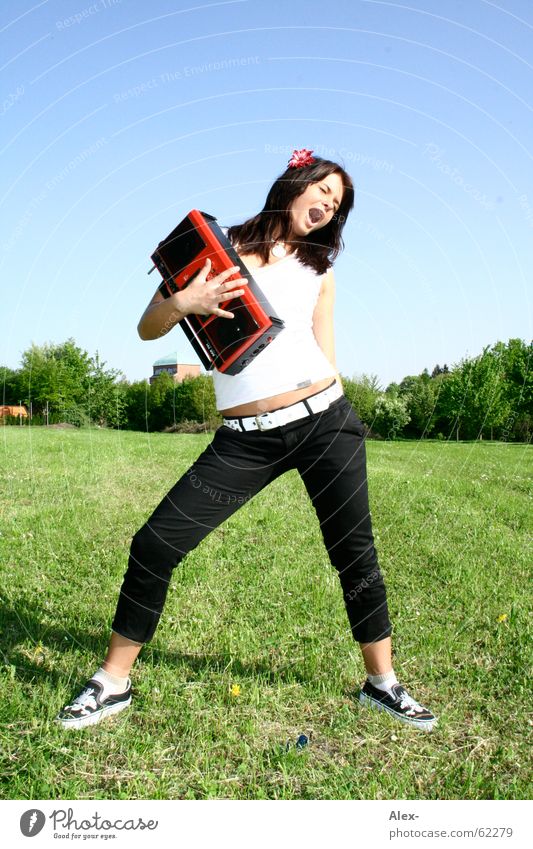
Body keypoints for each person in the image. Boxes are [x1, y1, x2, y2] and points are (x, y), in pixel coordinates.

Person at [56, 149, 437, 732]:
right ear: (295, 184)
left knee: (354, 553)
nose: (329, 207)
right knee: (155, 543)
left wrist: (344, 420)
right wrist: (185, 302)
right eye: (324, 192)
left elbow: (326, 352)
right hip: (245, 439)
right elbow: (147, 326)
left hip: (324, 423)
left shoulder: (320, 271)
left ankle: (383, 684)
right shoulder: (217, 245)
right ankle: (111, 682)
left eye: (338, 205)